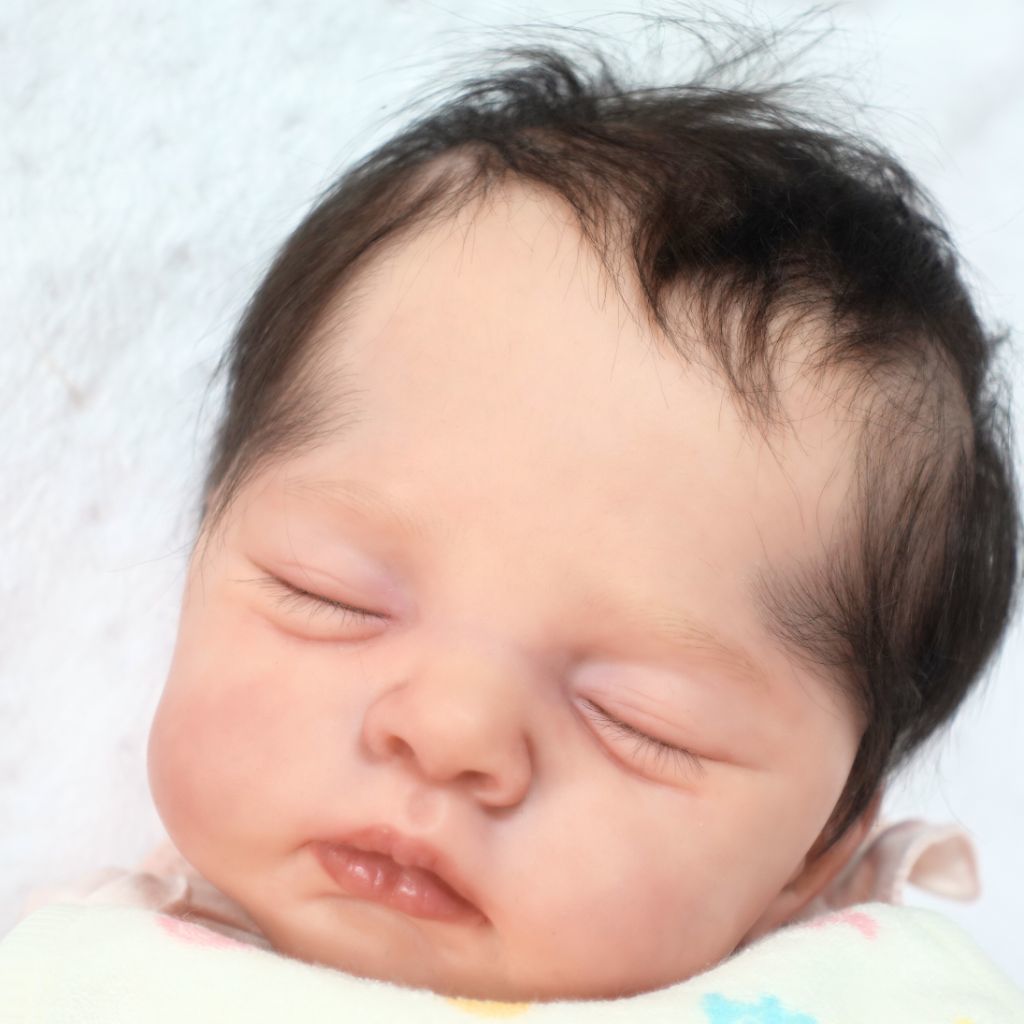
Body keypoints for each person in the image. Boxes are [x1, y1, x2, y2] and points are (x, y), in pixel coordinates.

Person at [12, 27, 1022, 1005]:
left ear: (816, 850)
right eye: (329, 596)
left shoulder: (878, 994)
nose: (450, 731)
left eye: (638, 721)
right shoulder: (76, 977)